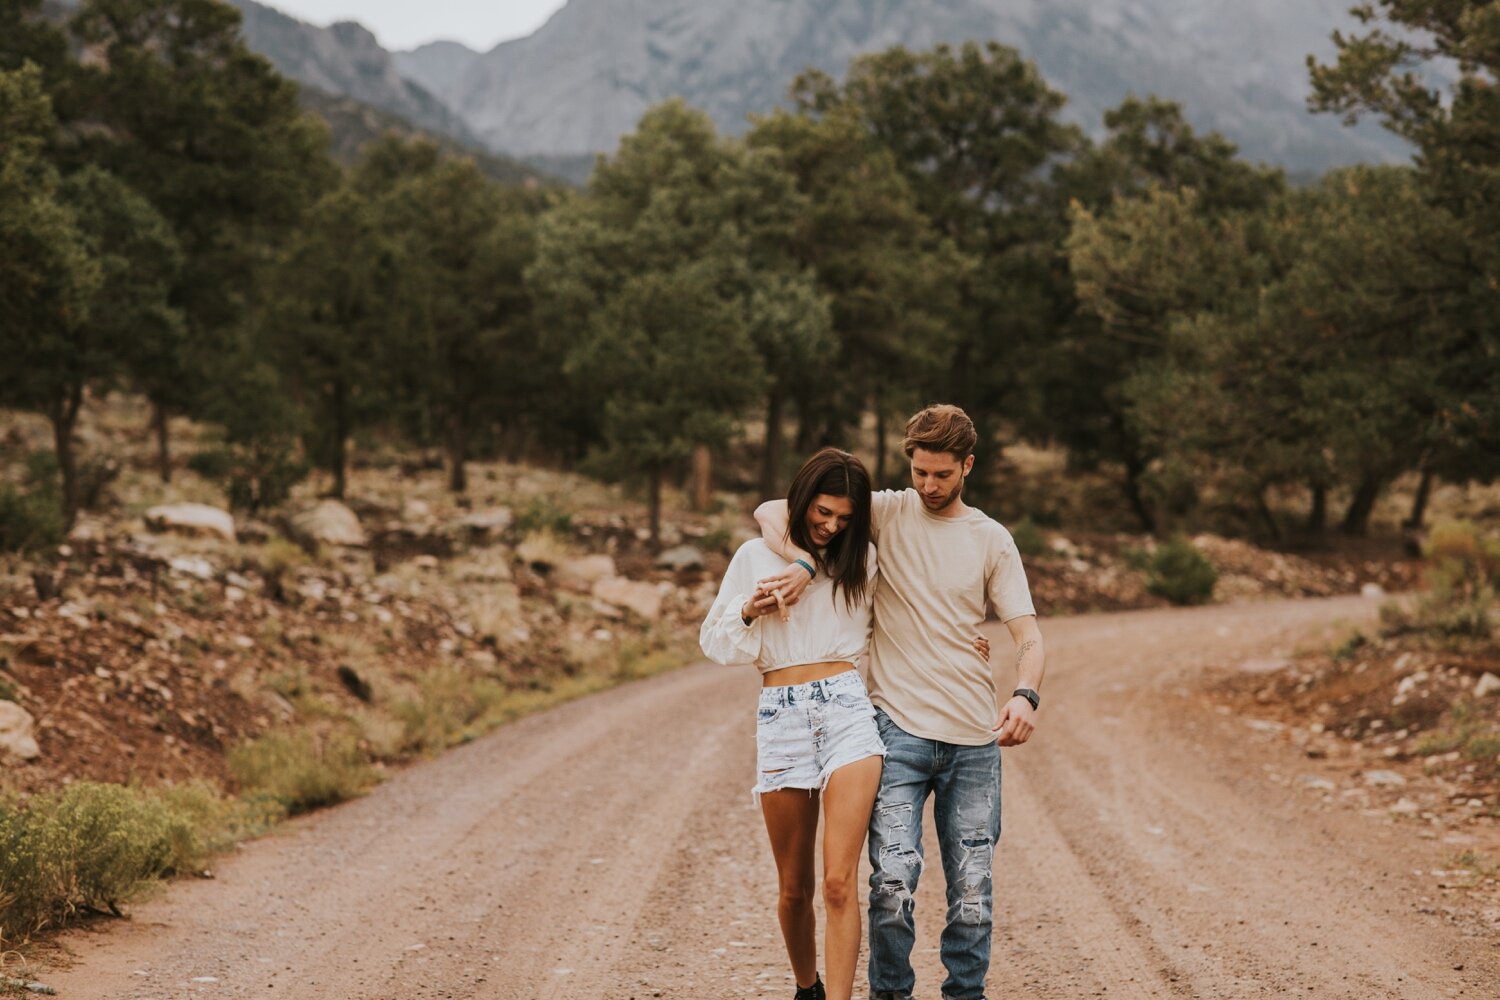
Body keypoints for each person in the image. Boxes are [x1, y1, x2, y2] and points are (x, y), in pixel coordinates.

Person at [754, 404, 1045, 1000]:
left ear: (967, 465)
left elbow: (1030, 635)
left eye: (942, 474)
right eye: (919, 473)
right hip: (897, 732)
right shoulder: (885, 511)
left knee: (971, 896)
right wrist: (806, 564)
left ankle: (966, 994)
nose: (929, 487)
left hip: (973, 741)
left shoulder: (991, 538)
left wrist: (1024, 695)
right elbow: (771, 511)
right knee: (890, 885)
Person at [700, 447, 888, 1000]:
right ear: (803, 500)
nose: (831, 526)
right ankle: (807, 987)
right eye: (823, 512)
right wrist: (747, 611)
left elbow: (894, 633)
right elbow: (713, 641)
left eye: (845, 518)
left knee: (837, 882)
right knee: (793, 888)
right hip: (780, 715)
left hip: (848, 710)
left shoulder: (862, 561)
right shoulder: (754, 557)